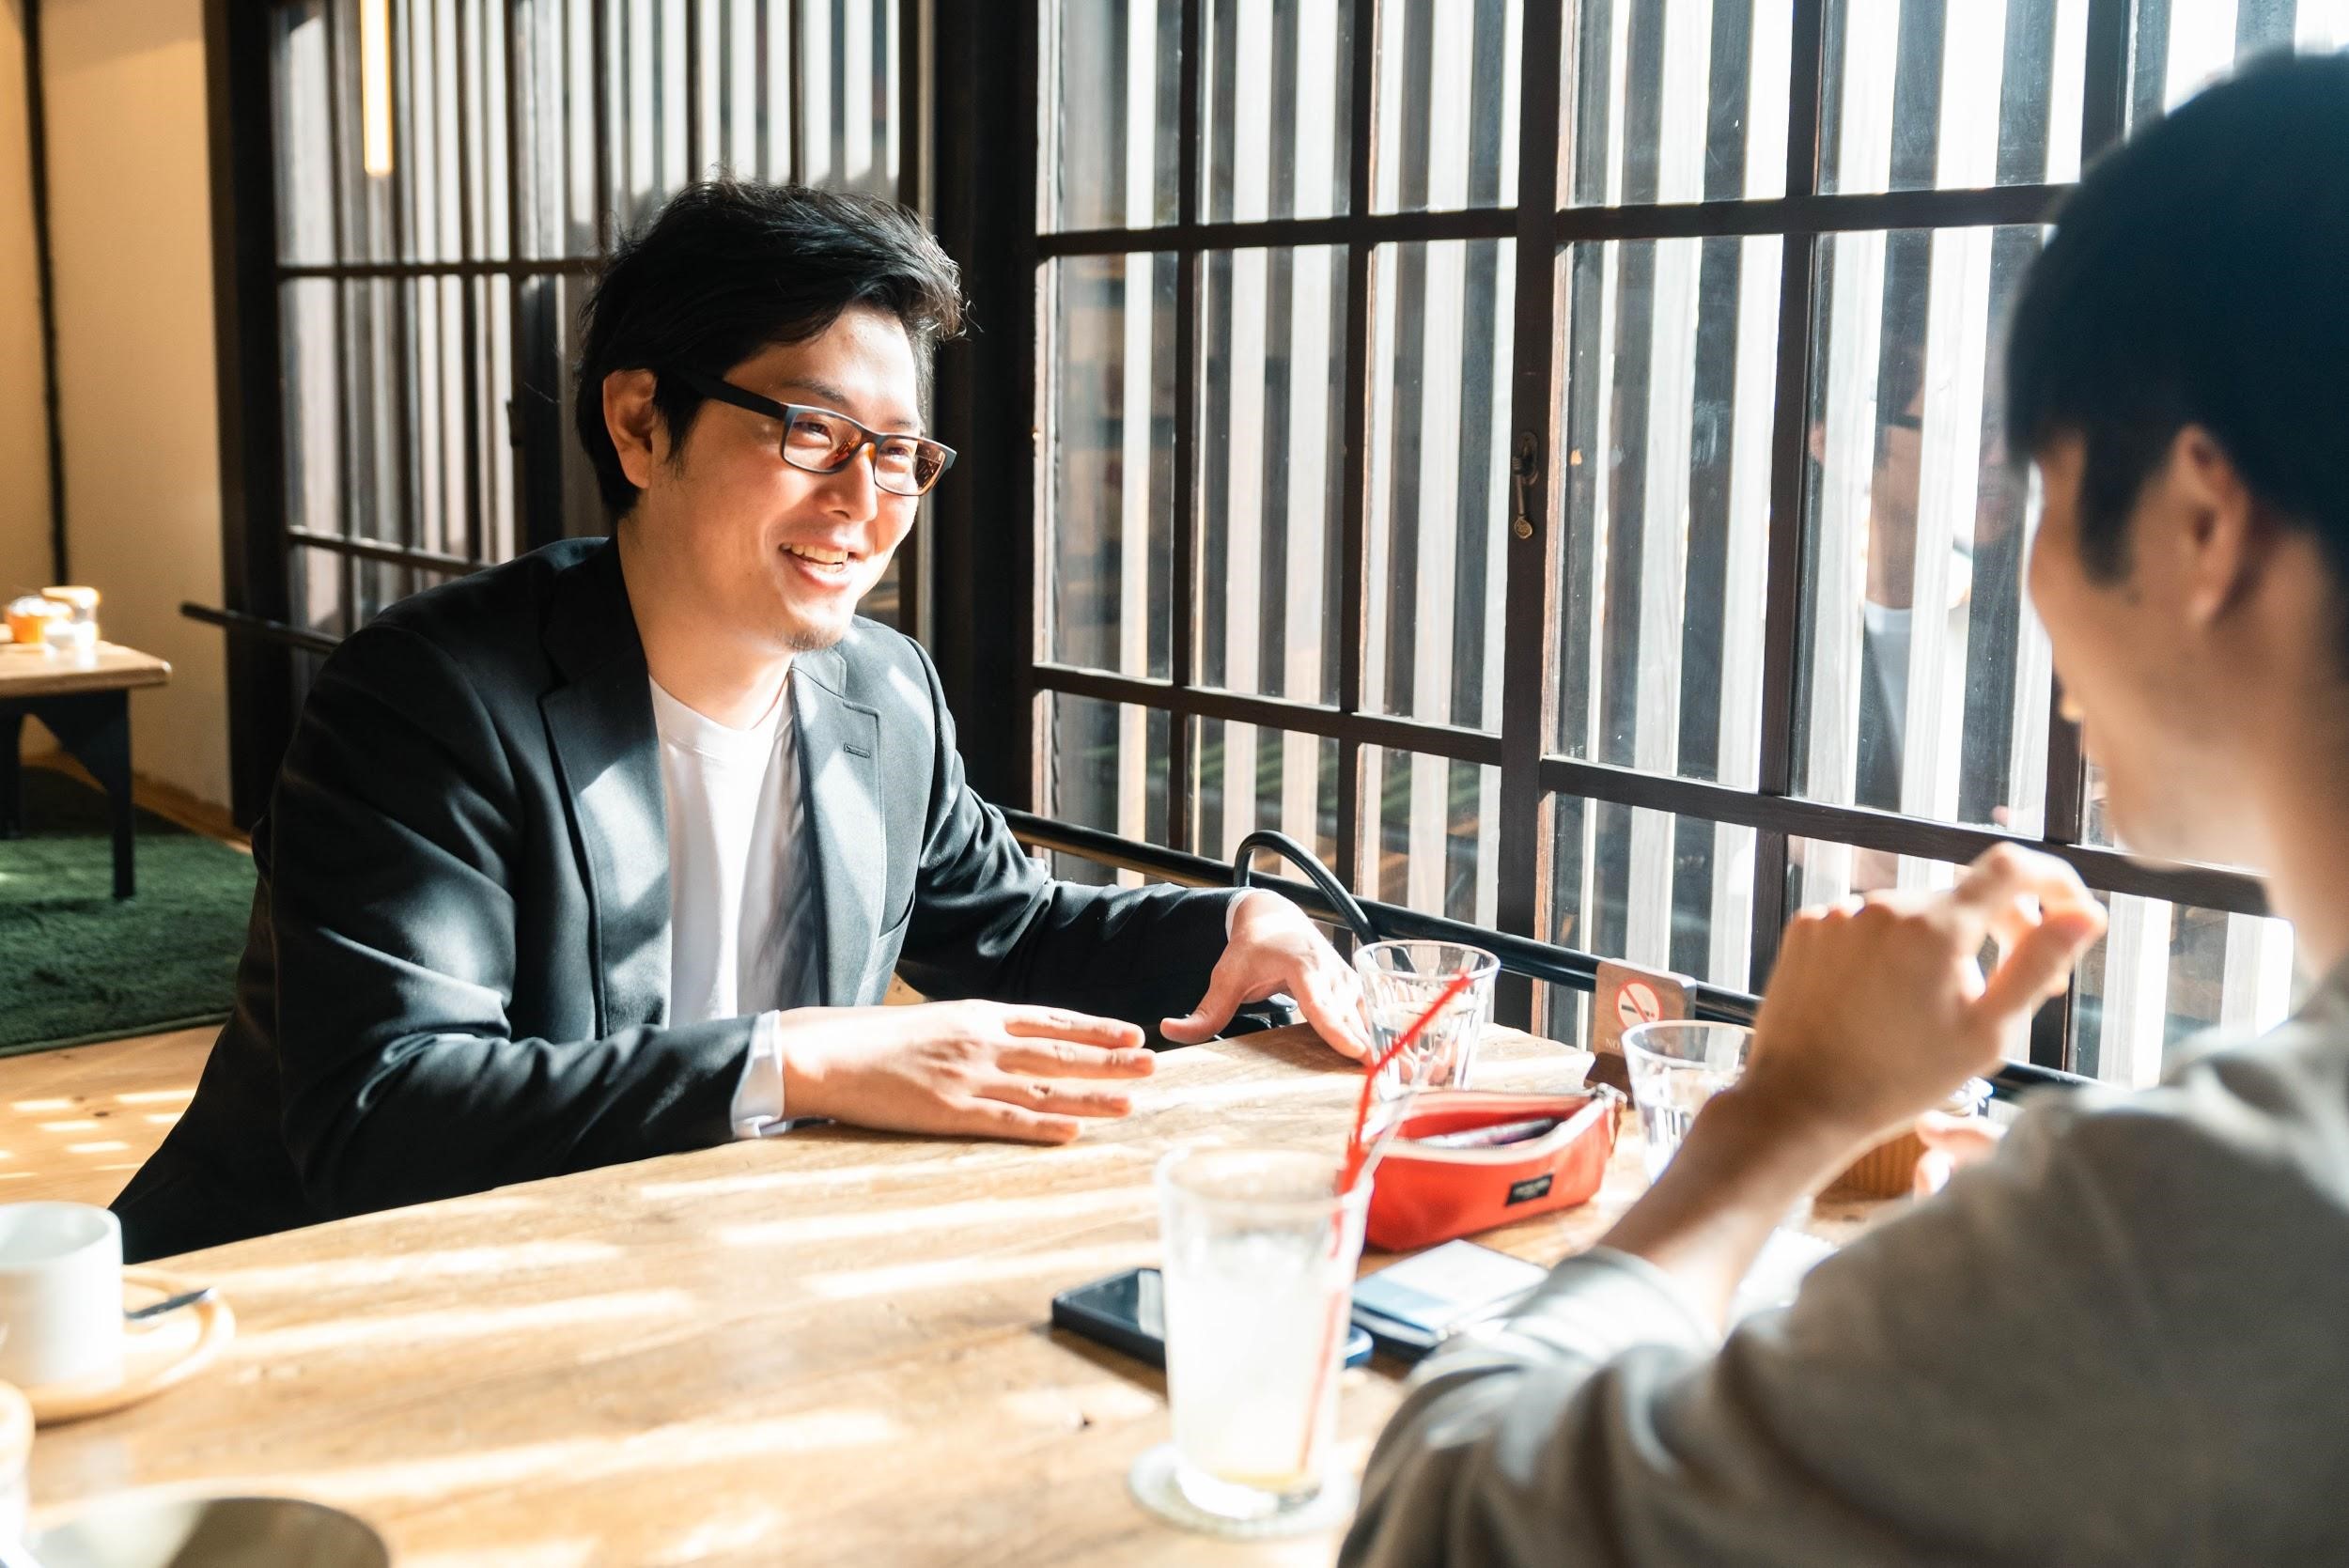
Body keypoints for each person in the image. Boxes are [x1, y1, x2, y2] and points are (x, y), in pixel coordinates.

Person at [1344, 52, 2349, 1566]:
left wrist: (1783, 1111)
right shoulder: (1713, 626)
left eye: (2042, 479)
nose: (2012, 551)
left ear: (2200, 520)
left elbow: (1453, 1517)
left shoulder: (2207, 1218)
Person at [114, 182, 1368, 1264]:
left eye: (898, 454)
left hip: (665, 1270)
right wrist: (804, 1059)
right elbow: (385, 1112)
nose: (864, 503)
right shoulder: (430, 697)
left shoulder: (881, 693)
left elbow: (1016, 932)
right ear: (640, 422)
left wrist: (1233, 923)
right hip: (282, 1303)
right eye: (813, 430)